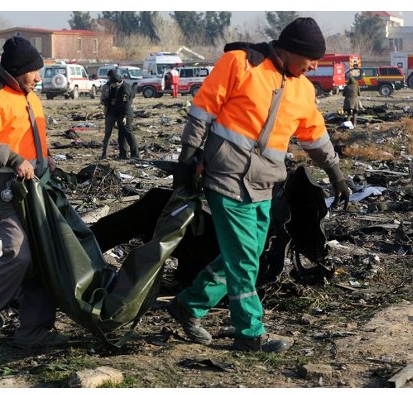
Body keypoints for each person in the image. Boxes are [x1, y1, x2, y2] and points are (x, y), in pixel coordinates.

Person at [168, 17, 350, 353]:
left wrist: (336, 174)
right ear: (292, 50)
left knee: (248, 253)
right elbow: (202, 111)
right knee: (243, 259)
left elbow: (316, 136)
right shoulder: (241, 63)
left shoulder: (303, 90)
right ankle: (249, 333)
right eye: (311, 59)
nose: (314, 66)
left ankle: (188, 305)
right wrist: (187, 159)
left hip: (264, 183)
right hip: (225, 176)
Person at [0, 36, 67, 350]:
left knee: (42, 254)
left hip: (35, 186)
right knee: (19, 254)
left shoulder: (28, 94)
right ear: (17, 70)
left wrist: (44, 158)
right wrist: (15, 159)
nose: (39, 78)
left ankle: (33, 331)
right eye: (34, 72)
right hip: (3, 189)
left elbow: (31, 137)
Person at [100, 69, 139, 160]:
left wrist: (125, 116)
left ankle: (135, 154)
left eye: (112, 83)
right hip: (120, 113)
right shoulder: (118, 87)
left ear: (117, 82)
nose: (111, 85)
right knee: (121, 135)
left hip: (125, 114)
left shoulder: (124, 89)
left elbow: (126, 104)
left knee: (129, 134)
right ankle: (123, 154)